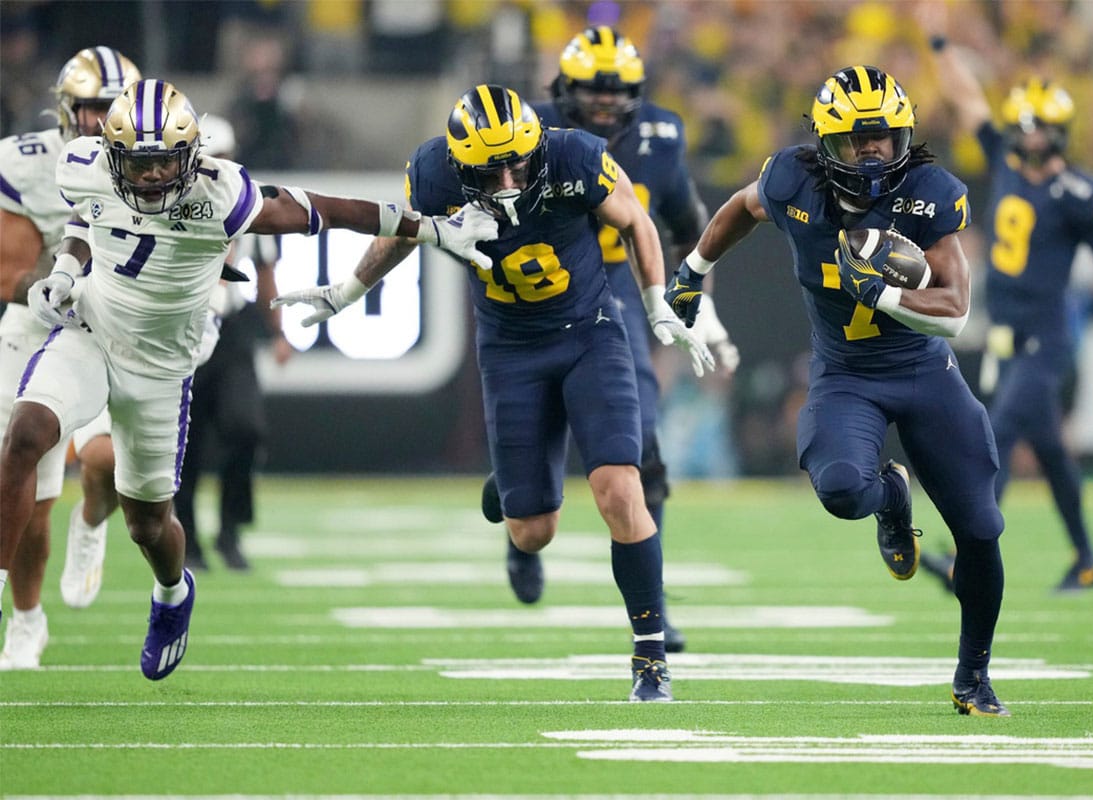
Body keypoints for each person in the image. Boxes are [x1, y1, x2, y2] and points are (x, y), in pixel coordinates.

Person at [0, 77, 498, 680]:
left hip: (159, 367)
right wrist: (65, 269)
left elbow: (334, 211)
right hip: (91, 331)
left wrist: (439, 230)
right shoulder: (84, 163)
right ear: (111, 154)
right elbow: (86, 216)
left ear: (191, 155)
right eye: (140, 162)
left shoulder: (222, 195)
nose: (153, 176)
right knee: (26, 433)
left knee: (148, 523)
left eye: (164, 162)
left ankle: (172, 595)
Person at [273, 84, 715, 701]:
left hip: (591, 330)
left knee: (620, 484)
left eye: (518, 162)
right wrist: (344, 293)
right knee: (532, 530)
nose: (508, 179)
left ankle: (649, 656)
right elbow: (397, 235)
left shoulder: (574, 156)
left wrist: (656, 305)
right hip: (511, 349)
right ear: (459, 165)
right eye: (491, 168)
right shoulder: (432, 173)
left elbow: (636, 219)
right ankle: (515, 484)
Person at [664, 65, 1010, 716]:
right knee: (843, 489)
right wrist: (693, 268)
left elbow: (957, 309)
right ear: (827, 143)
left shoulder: (929, 192)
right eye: (855, 138)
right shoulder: (792, 179)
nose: (872, 149)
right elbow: (743, 206)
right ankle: (890, 499)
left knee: (982, 528)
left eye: (882, 135)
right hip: (846, 374)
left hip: (921, 368)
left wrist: (880, 290)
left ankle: (973, 675)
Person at [476, 26, 739, 652]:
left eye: (615, 90)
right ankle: (519, 498)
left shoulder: (660, 137)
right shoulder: (528, 132)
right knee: (537, 489)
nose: (602, 103)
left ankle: (656, 601)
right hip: (534, 296)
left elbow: (687, 227)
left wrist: (694, 302)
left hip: (619, 290)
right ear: (563, 89)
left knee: (640, 447)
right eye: (591, 90)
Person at [920, 36, 1093, 594]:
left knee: (999, 431)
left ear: (1059, 130)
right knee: (1054, 454)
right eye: (1025, 125)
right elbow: (970, 102)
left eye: (1039, 126)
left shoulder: (1078, 192)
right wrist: (942, 46)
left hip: (1047, 338)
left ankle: (970, 557)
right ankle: (1088, 561)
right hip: (1006, 338)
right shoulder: (1005, 162)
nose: (1029, 134)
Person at [0, 46, 137, 669]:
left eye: (115, 106)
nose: (104, 119)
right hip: (40, 324)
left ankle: (95, 515)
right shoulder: (28, 163)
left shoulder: (163, 161)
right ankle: (26, 619)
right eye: (93, 109)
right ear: (67, 110)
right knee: (27, 481)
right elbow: (8, 273)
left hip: (120, 328)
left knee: (107, 464)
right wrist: (63, 270)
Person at [173, 114, 293, 573]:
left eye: (223, 159)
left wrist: (279, 331)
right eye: (209, 160)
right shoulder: (167, 204)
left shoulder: (248, 201)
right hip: (180, 325)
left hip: (231, 326)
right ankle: (187, 539)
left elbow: (265, 275)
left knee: (246, 428)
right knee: (186, 442)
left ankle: (229, 529)